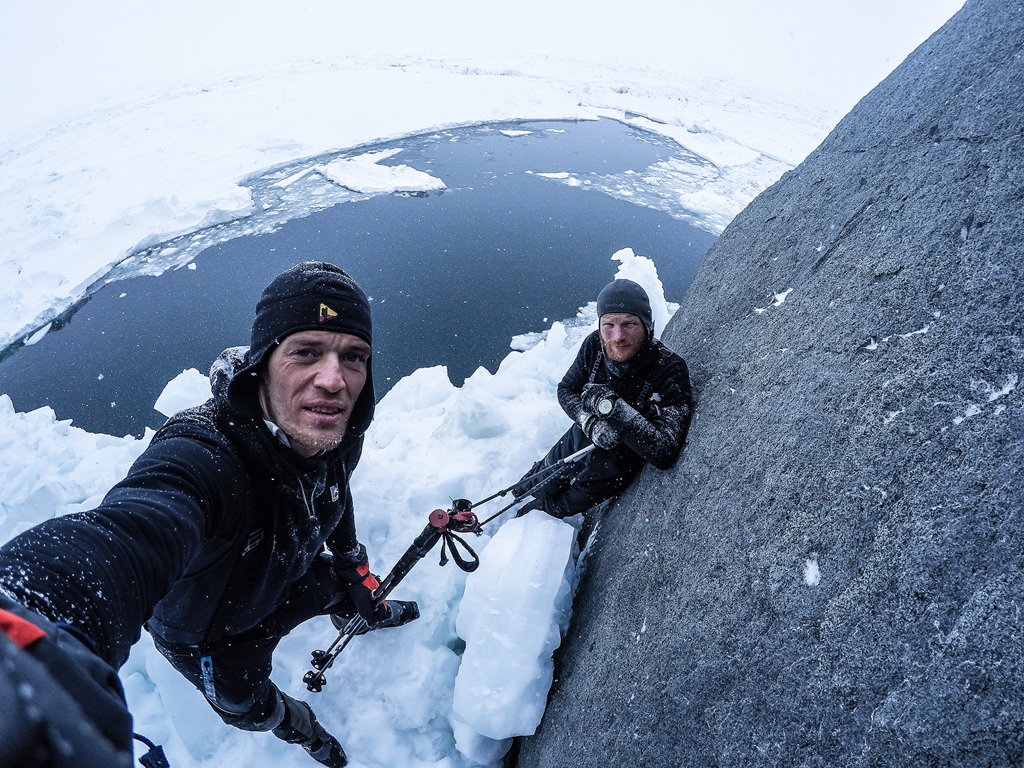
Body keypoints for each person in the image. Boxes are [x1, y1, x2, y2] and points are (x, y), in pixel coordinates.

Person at [0, 261, 418, 768]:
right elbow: (132, 530)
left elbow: (336, 490)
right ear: (261, 363)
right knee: (251, 705)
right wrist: (23, 619)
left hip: (286, 566)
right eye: (305, 352)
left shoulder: (333, 431)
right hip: (215, 636)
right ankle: (306, 733)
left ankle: (364, 614)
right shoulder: (203, 455)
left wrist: (351, 558)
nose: (333, 380)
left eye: (354, 357)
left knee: (353, 588)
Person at [513, 278, 692, 519]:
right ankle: (514, 497)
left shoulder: (668, 369)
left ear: (647, 326)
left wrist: (611, 408)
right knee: (540, 477)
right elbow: (566, 389)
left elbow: (663, 451)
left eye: (629, 324)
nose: (617, 336)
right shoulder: (594, 347)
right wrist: (591, 422)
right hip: (582, 435)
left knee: (560, 505)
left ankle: (529, 518)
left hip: (617, 464)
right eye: (609, 325)